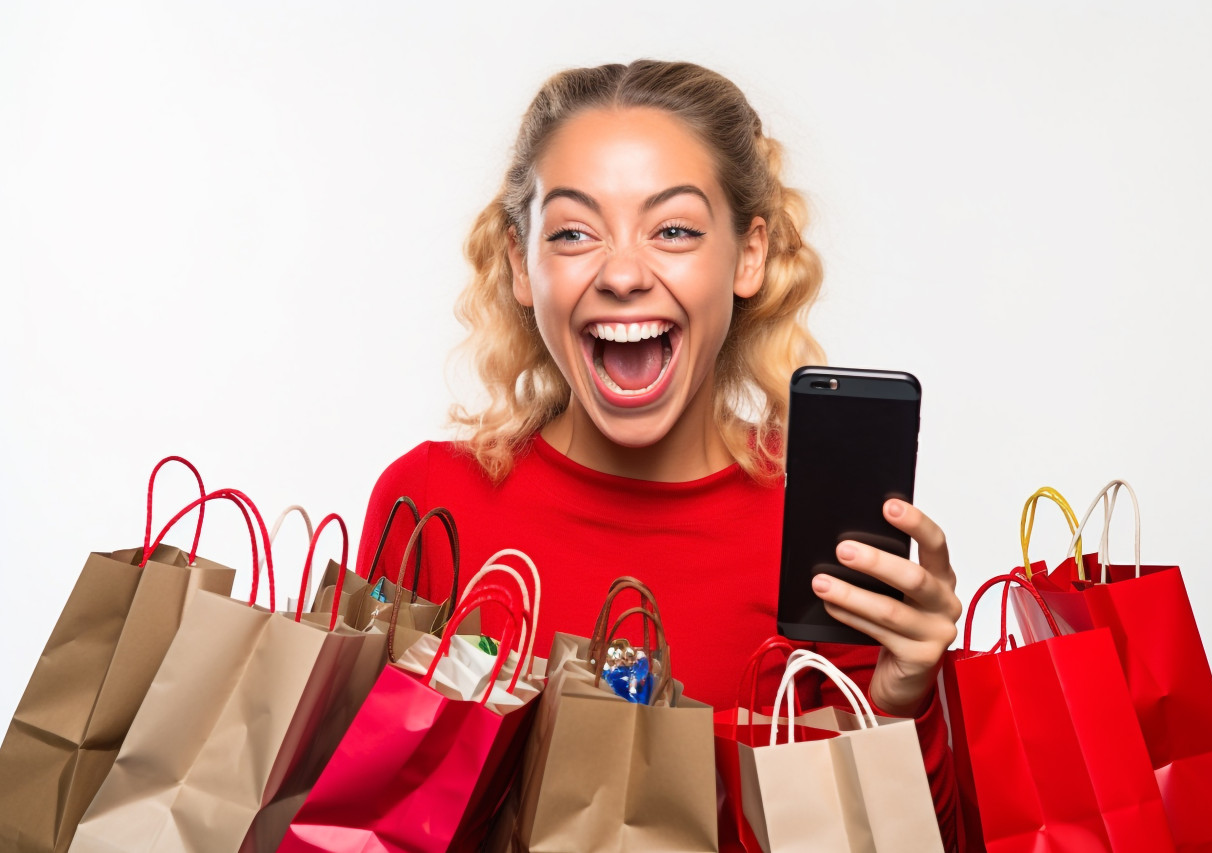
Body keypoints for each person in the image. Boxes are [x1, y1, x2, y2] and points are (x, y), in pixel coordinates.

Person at [355, 59, 961, 847]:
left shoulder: (822, 538)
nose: (623, 273)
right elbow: (355, 815)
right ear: (518, 264)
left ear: (748, 256)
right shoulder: (432, 502)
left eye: (673, 229)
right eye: (574, 232)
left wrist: (904, 702)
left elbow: (897, 838)